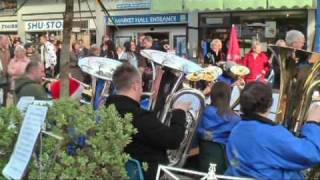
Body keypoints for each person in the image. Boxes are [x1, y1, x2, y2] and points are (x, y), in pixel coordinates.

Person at [105, 64, 191, 179]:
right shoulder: (137, 116)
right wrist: (179, 112)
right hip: (149, 174)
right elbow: (174, 140)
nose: (142, 89)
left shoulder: (107, 109)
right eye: (141, 85)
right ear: (135, 86)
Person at [225, 81, 320, 179]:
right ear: (270, 105)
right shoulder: (272, 134)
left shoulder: (236, 129)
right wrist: (313, 123)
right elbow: (312, 154)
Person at [197, 82, 240, 174]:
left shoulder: (202, 112)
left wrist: (203, 93)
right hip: (223, 162)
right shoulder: (235, 119)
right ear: (228, 97)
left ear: (212, 95)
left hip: (202, 158)